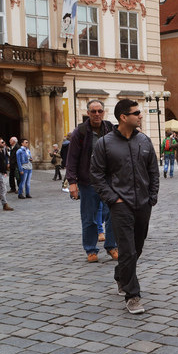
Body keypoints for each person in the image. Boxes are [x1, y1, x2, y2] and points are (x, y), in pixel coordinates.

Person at [91, 99, 159, 314]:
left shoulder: (145, 141)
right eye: (136, 112)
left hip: (144, 204)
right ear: (123, 117)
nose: (140, 115)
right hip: (120, 205)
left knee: (137, 248)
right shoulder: (104, 143)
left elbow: (153, 172)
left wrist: (152, 197)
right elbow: (97, 176)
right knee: (127, 250)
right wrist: (113, 199)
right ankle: (133, 295)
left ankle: (121, 275)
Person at [66, 99, 117, 263]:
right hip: (88, 182)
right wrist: (72, 182)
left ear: (104, 112)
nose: (97, 114)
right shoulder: (80, 132)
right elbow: (72, 158)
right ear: (88, 113)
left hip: (109, 181)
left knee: (113, 214)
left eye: (99, 111)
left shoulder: (110, 129)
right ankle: (91, 250)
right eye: (93, 111)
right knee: (89, 218)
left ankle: (112, 246)